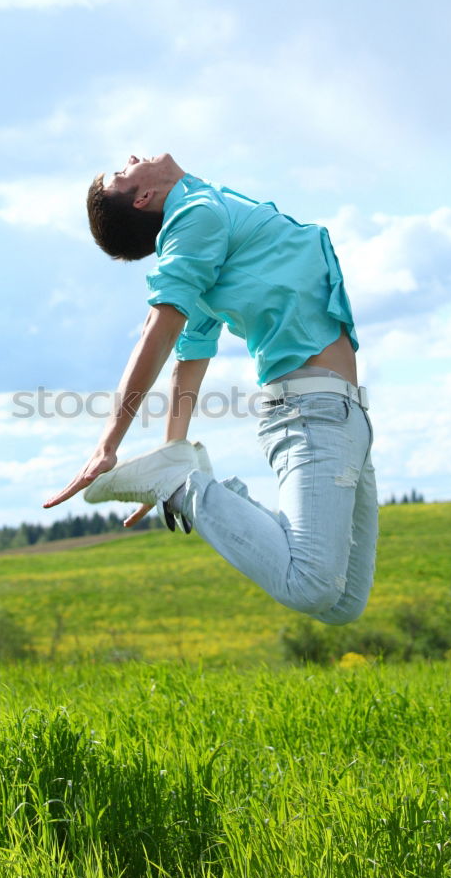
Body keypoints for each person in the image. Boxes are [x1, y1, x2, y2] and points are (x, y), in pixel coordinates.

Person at [43, 154, 376, 624]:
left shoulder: (209, 221)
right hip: (310, 410)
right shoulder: (196, 217)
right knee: (311, 588)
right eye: (121, 171)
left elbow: (191, 355)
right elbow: (157, 332)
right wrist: (109, 443)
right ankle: (182, 486)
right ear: (142, 198)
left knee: (343, 604)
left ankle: (178, 475)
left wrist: (171, 448)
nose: (133, 158)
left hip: (347, 414)